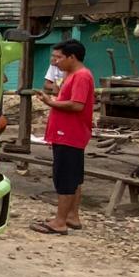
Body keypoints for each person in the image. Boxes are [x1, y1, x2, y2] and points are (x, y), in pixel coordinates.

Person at [31, 39, 95, 234]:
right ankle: (71, 216)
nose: (54, 61)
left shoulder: (81, 76)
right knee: (73, 176)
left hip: (70, 133)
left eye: (58, 57)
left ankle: (59, 222)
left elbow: (77, 105)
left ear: (71, 57)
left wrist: (50, 102)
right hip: (66, 133)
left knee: (65, 177)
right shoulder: (71, 75)